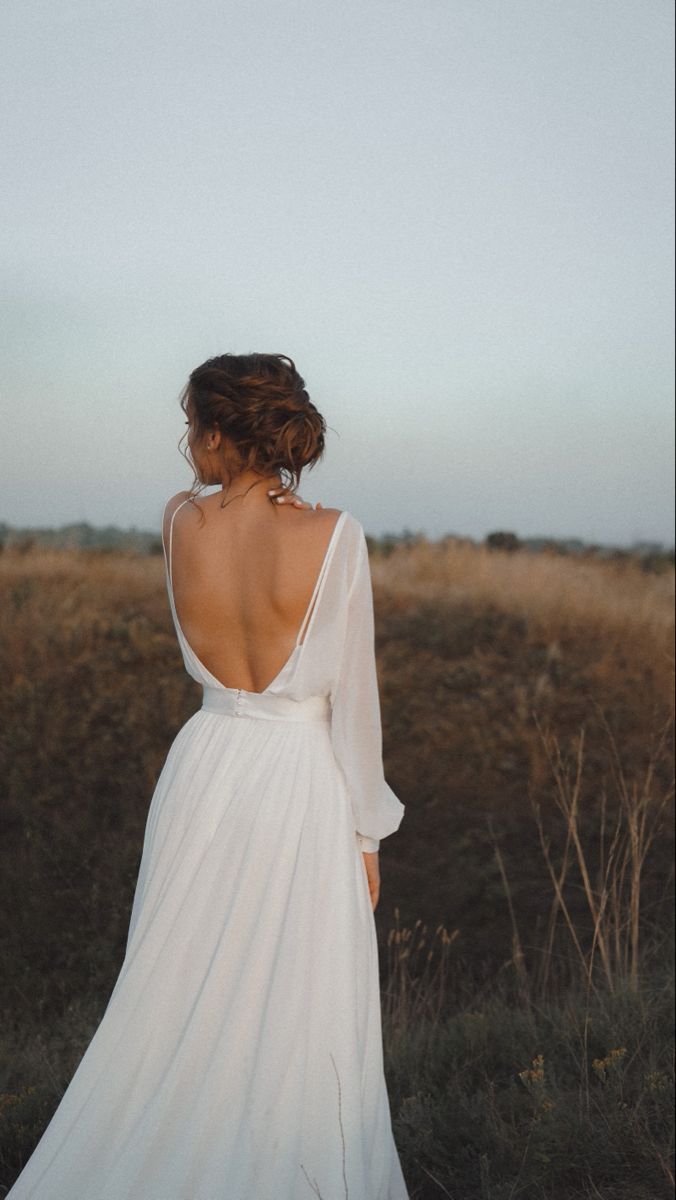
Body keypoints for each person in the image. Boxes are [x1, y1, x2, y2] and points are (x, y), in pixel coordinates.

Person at [6, 352, 408, 1200]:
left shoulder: (178, 521)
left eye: (194, 426)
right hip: (299, 777)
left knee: (172, 983)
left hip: (206, 763)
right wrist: (366, 834)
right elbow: (356, 702)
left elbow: (215, 531)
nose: (188, 444)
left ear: (223, 432)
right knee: (300, 1004)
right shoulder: (334, 534)